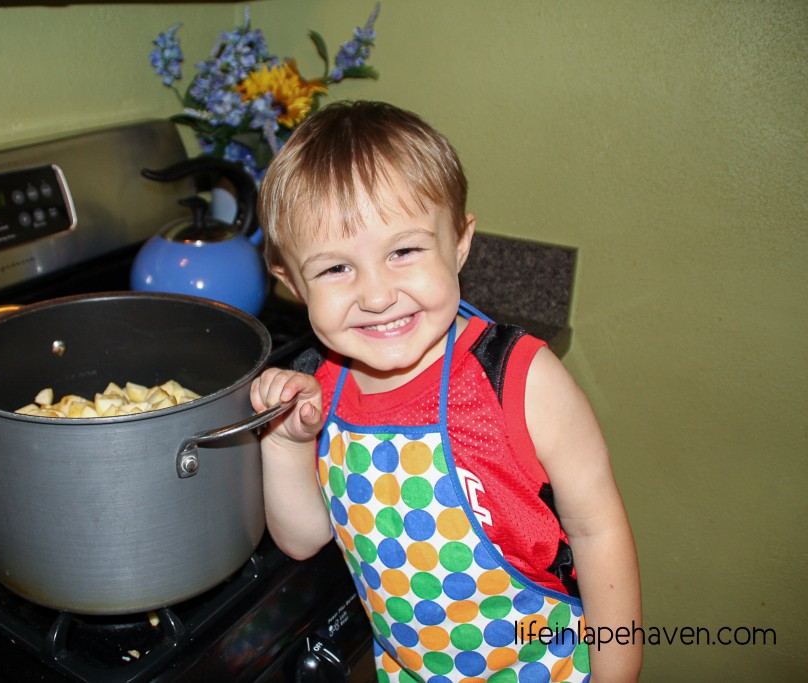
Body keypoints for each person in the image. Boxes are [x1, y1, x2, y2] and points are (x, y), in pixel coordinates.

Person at [250, 100, 641, 682]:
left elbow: (597, 530)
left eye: (403, 251)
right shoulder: (322, 389)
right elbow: (304, 539)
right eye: (336, 269)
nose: (377, 294)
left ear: (459, 243)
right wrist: (283, 442)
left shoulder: (520, 380)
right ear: (291, 282)